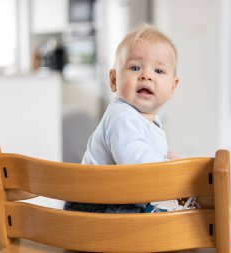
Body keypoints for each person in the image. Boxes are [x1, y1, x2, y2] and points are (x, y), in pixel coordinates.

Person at [64, 24, 180, 213]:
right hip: (95, 207)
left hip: (116, 202)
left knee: (167, 221)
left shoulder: (149, 122)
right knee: (168, 228)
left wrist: (164, 160)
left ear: (172, 88)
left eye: (158, 71)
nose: (146, 76)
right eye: (135, 67)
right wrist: (168, 169)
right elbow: (137, 169)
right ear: (113, 80)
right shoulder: (122, 116)